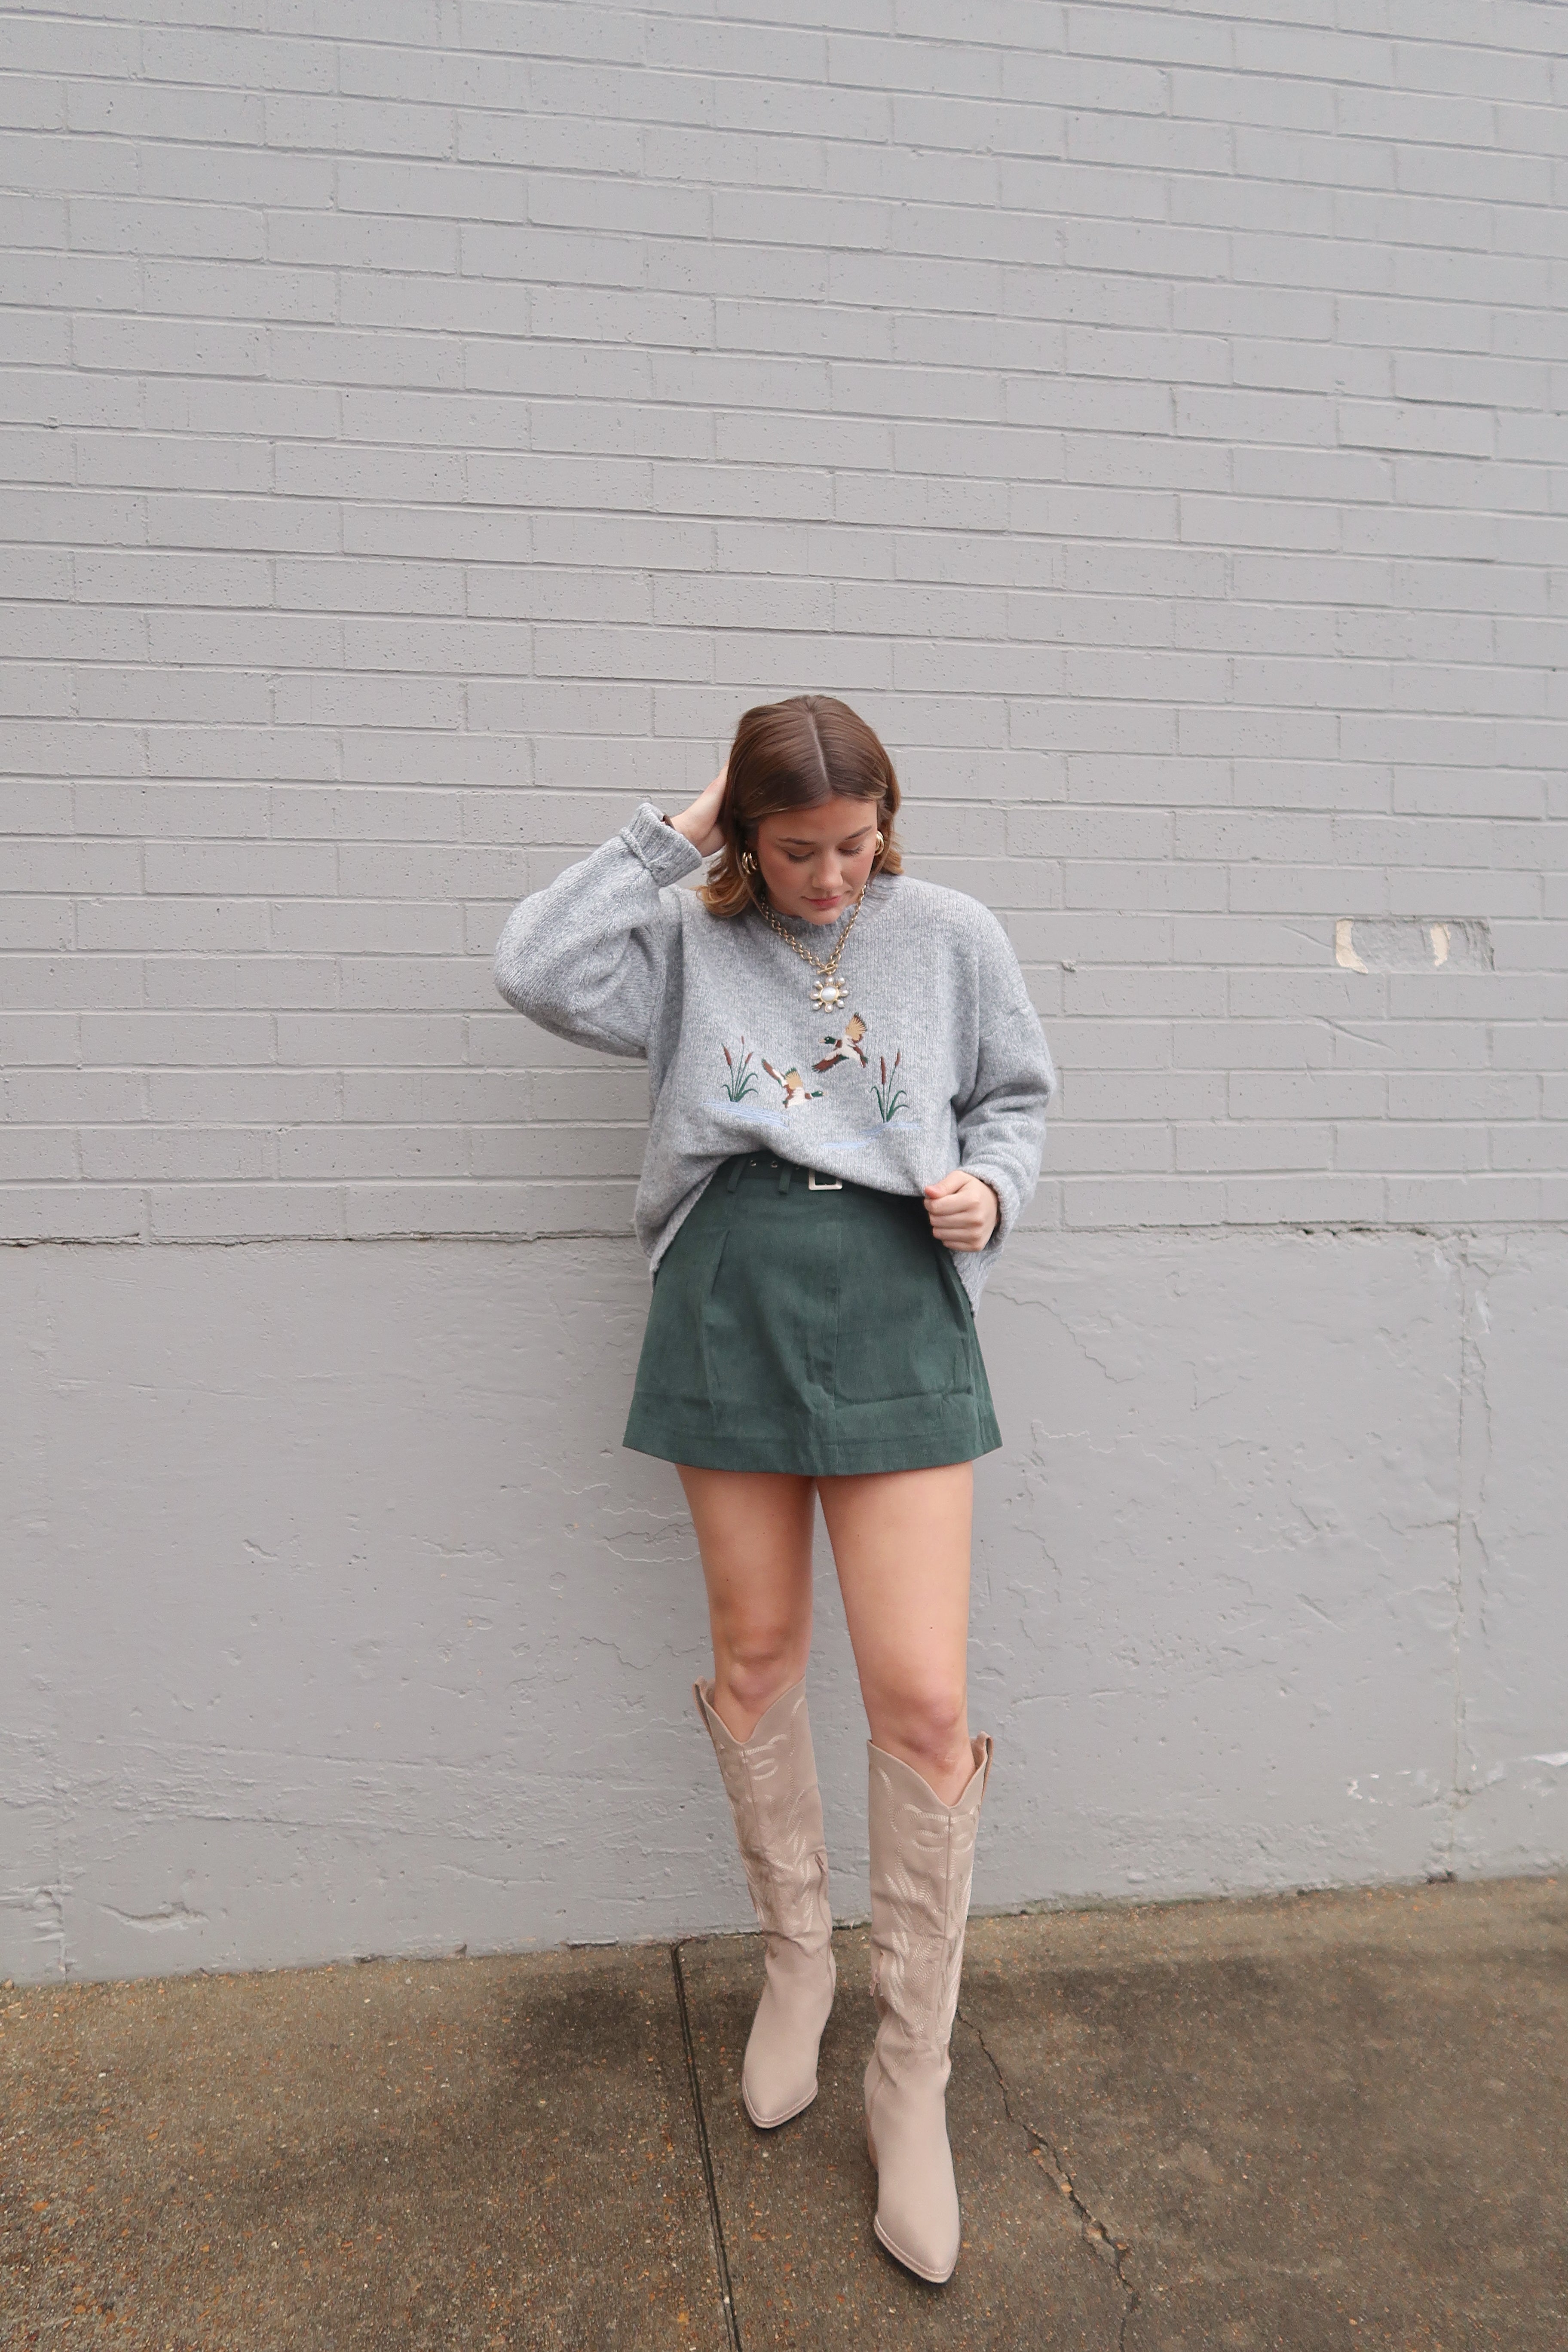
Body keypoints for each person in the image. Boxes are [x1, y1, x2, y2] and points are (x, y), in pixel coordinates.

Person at [493, 695, 1054, 2284]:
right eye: (797, 848)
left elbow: (1017, 1096)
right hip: (730, 1278)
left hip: (893, 1288)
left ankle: (910, 2075)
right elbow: (534, 966)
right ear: (747, 833)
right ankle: (797, 1964)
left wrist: (989, 1189)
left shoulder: (949, 933)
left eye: (855, 845)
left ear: (889, 825)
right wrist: (680, 832)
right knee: (754, 1661)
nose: (829, 876)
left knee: (924, 1702)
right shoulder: (689, 933)